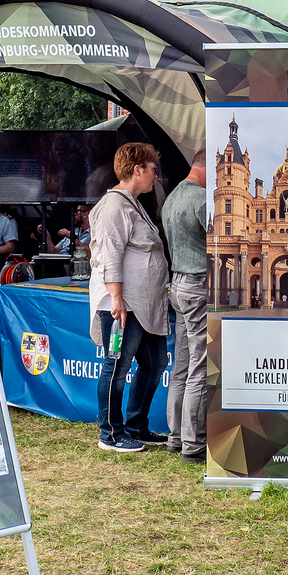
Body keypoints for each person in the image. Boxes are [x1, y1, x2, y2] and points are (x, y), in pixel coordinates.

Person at [88, 142, 170, 454]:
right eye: (152, 169)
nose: (155, 175)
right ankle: (110, 433)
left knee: (155, 363)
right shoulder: (115, 206)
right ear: (137, 170)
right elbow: (109, 254)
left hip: (142, 306)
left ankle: (137, 426)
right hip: (122, 307)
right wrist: (117, 298)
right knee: (116, 364)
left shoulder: (131, 203)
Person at [161, 148, 209, 461]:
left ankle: (175, 437)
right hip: (197, 286)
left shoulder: (171, 199)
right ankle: (194, 445)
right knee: (199, 368)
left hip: (177, 286)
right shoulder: (203, 200)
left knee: (181, 366)